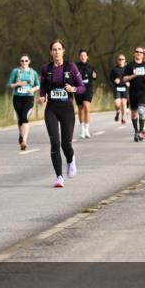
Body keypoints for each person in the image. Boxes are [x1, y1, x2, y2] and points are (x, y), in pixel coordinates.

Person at [39, 39, 86, 188]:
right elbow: (43, 87)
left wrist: (74, 89)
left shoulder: (71, 67)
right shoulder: (46, 69)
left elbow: (82, 87)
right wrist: (42, 96)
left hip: (67, 109)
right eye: (54, 49)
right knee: (55, 143)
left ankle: (71, 159)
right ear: (50, 52)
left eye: (59, 49)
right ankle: (59, 177)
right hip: (51, 109)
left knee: (66, 144)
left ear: (63, 51)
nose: (57, 52)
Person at [8, 54, 39, 150]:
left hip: (28, 98)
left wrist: (33, 90)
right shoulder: (15, 71)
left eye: (26, 60)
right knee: (20, 119)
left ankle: (24, 141)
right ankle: (21, 135)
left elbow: (38, 85)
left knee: (25, 118)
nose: (24, 62)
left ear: (29, 61)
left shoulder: (33, 73)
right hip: (17, 98)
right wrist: (18, 84)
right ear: (20, 62)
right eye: (22, 61)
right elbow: (10, 84)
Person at [124, 47, 145, 143]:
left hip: (143, 90)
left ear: (143, 55)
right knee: (134, 113)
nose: (139, 53)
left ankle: (140, 132)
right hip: (133, 91)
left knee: (141, 110)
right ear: (134, 54)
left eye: (141, 52)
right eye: (137, 52)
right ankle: (136, 131)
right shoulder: (130, 65)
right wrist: (133, 76)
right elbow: (125, 78)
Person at [75, 49, 97, 139]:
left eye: (84, 55)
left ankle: (87, 129)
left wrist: (95, 76)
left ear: (87, 57)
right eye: (81, 55)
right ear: (79, 57)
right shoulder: (75, 66)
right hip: (78, 89)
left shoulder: (91, 66)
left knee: (86, 108)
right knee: (80, 109)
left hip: (88, 89)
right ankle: (82, 129)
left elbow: (95, 76)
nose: (83, 57)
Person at [110, 54, 129, 124]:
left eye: (122, 59)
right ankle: (118, 111)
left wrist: (129, 82)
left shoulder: (128, 69)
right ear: (117, 61)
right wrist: (114, 80)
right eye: (119, 59)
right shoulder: (114, 69)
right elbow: (111, 78)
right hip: (117, 88)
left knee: (124, 103)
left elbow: (132, 77)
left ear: (125, 60)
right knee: (117, 104)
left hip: (125, 88)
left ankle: (123, 118)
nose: (121, 61)